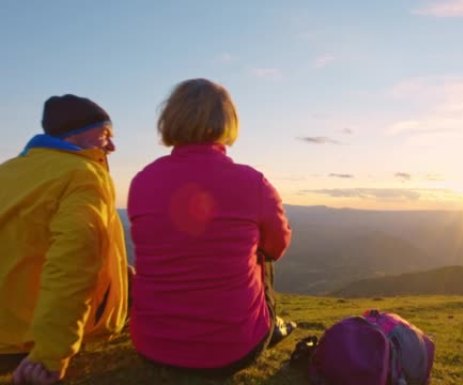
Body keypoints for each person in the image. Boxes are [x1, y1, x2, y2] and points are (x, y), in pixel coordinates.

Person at [128, 78, 294, 378]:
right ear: (227, 121)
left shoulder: (142, 181)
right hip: (233, 350)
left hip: (151, 347)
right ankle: (270, 324)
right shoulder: (252, 183)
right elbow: (277, 247)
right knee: (262, 254)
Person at [0, 95, 129, 385]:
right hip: (25, 341)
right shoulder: (81, 175)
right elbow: (71, 265)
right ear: (73, 133)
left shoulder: (7, 171)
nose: (112, 146)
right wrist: (50, 354)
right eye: (105, 134)